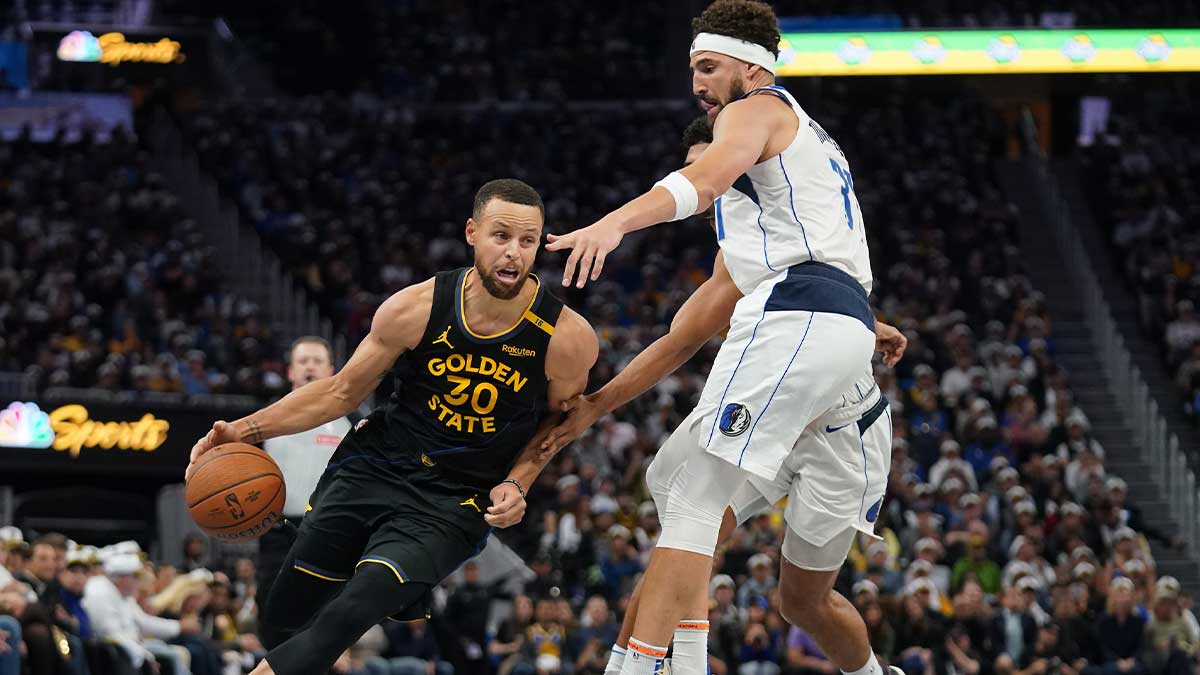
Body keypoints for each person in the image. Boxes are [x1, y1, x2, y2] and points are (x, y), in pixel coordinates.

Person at [548, 1, 885, 673]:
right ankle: (689, 660)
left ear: (751, 66)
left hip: (810, 335)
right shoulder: (774, 202)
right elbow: (681, 337)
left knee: (695, 490)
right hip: (826, 323)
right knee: (676, 481)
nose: (698, 84)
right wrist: (596, 404)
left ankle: (636, 667)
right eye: (692, 70)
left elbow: (704, 180)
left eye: (708, 67)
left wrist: (613, 224)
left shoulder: (757, 108)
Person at [186, 179, 599, 675]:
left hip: (455, 497)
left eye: (527, 241)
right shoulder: (416, 307)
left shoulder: (567, 338)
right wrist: (244, 430)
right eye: (501, 236)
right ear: (472, 232)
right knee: (285, 616)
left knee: (355, 607)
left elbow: (560, 421)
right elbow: (341, 392)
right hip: (377, 465)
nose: (513, 253)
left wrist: (520, 479)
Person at [256, 336, 354, 623]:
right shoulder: (266, 417)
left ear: (331, 371)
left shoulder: (351, 419)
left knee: (323, 614)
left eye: (317, 361)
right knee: (274, 609)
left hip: (329, 530)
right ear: (290, 372)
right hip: (278, 530)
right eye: (303, 361)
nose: (310, 367)